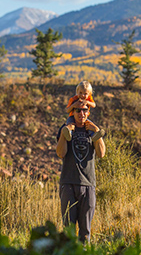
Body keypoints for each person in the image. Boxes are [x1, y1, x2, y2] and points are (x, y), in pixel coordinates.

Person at [56, 101, 106, 243]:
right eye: (78, 110)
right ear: (73, 112)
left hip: (88, 183)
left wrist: (97, 132)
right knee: (68, 230)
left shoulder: (91, 130)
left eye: (84, 110)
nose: (81, 113)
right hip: (68, 183)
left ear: (88, 112)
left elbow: (101, 153)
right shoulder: (66, 128)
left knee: (85, 230)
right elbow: (60, 153)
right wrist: (64, 134)